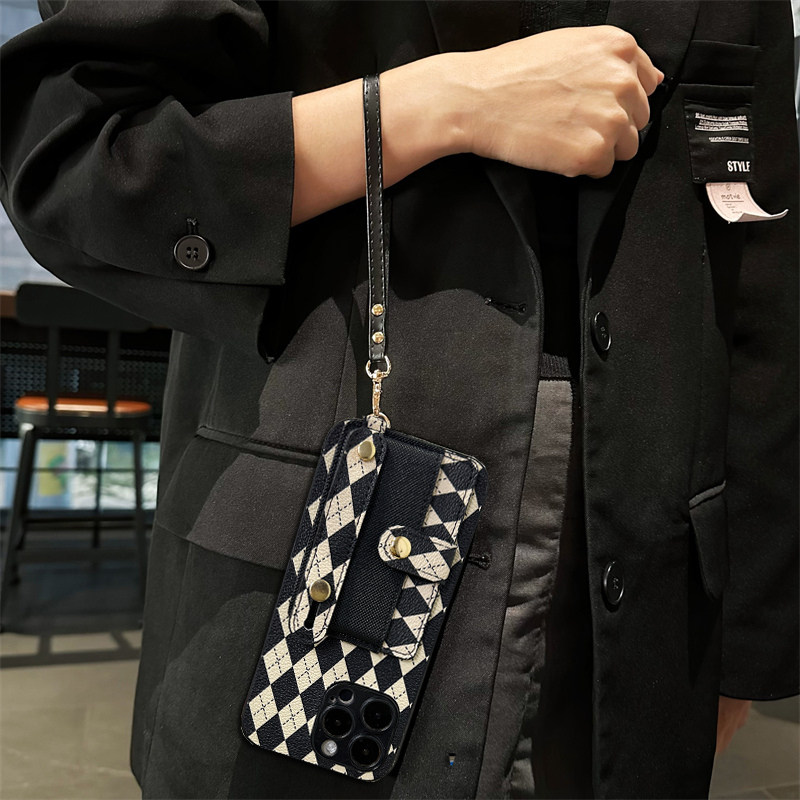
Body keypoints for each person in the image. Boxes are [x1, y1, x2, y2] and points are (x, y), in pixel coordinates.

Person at [1, 1, 797, 797]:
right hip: (311, 559)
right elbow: (85, 163)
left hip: (642, 617)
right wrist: (447, 103)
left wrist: (748, 645)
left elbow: (764, 279)